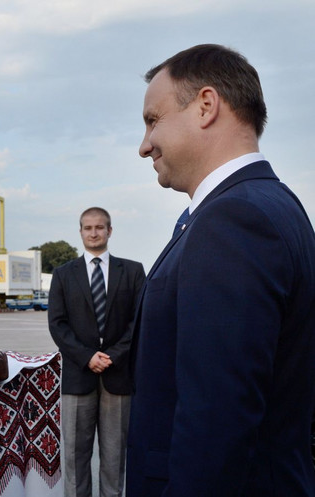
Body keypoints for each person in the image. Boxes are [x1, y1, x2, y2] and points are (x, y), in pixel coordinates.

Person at [127, 44, 315, 496]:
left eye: (153, 120)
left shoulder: (233, 221)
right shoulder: (273, 204)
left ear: (206, 106)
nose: (144, 145)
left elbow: (217, 424)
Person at [48, 207, 145, 497]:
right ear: (80, 232)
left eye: (99, 227)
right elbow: (57, 324)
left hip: (119, 378)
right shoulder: (64, 274)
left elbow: (139, 321)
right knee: (75, 461)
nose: (93, 233)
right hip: (78, 378)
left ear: (109, 231)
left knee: (115, 461)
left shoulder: (132, 271)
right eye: (87, 228)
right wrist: (87, 356)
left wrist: (113, 355)